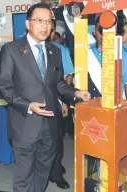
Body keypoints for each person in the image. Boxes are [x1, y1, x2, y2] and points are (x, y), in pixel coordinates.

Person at [0, 2, 90, 192]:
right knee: (24, 177)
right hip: (25, 125)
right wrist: (29, 105)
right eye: (39, 21)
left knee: (42, 172)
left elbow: (58, 84)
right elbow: (4, 88)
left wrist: (75, 93)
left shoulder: (54, 51)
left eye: (49, 21)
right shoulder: (11, 50)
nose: (45, 26)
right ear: (27, 23)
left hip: (50, 125)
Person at [49, 29, 74, 189]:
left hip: (56, 101)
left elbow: (68, 77)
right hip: (35, 105)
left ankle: (56, 173)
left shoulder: (61, 51)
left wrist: (64, 101)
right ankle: (50, 168)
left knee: (57, 139)